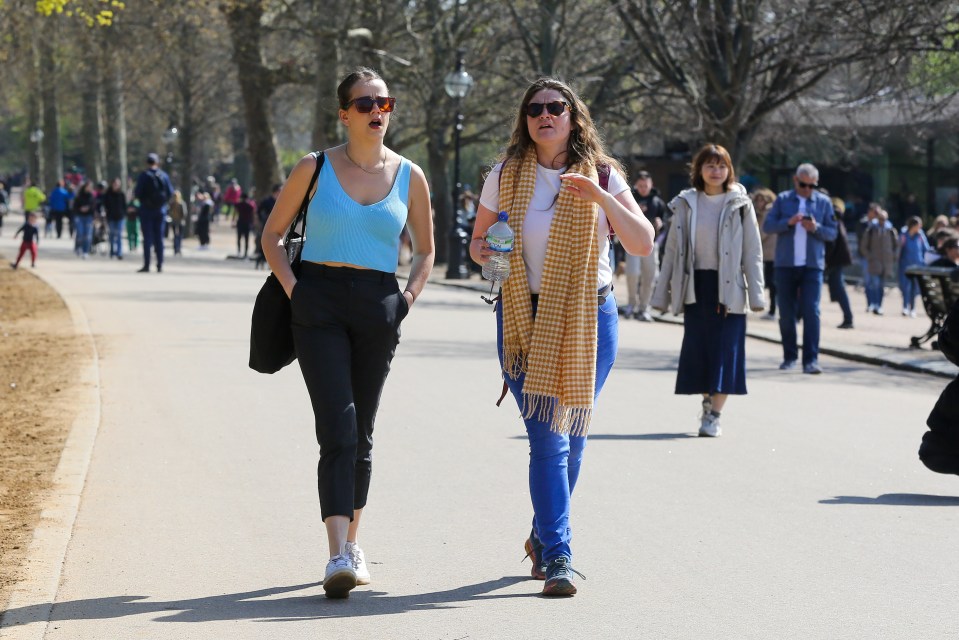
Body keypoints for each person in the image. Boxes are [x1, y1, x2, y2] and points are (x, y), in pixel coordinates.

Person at [469, 77, 655, 597]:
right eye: (535, 109)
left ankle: (541, 533)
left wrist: (601, 197)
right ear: (525, 120)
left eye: (556, 107)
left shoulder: (602, 175)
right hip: (523, 319)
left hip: (591, 319)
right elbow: (478, 244)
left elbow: (641, 242)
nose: (544, 115)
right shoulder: (504, 177)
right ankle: (559, 555)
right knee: (548, 440)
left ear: (574, 118)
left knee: (571, 438)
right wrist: (487, 253)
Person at [261, 67, 434, 599]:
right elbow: (272, 235)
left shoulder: (411, 175)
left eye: (385, 103)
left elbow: (425, 250)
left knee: (362, 430)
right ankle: (337, 550)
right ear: (344, 113)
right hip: (318, 302)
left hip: (379, 304)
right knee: (336, 426)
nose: (377, 112)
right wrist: (297, 292)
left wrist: (403, 302)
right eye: (365, 104)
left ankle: (354, 542)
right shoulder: (313, 168)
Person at [651, 144, 764, 438]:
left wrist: (757, 294)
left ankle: (715, 414)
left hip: (730, 290)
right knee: (700, 352)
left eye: (721, 166)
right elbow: (672, 252)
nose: (716, 171)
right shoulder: (687, 203)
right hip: (696, 287)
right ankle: (706, 400)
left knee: (726, 352)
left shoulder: (741, 204)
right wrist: (661, 294)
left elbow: (753, 251)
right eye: (710, 166)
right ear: (698, 169)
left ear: (729, 170)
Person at [762, 163, 838, 374]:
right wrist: (789, 222)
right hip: (785, 264)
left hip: (812, 265)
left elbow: (832, 233)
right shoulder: (783, 200)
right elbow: (767, 226)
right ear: (796, 180)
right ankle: (789, 357)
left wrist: (816, 228)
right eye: (803, 184)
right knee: (786, 313)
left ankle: (811, 360)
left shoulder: (823, 202)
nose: (807, 189)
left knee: (812, 311)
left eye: (811, 186)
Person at [624, 170, 666, 321]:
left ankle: (644, 308)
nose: (643, 188)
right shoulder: (630, 199)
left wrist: (661, 225)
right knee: (632, 274)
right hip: (632, 243)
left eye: (645, 185)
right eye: (640, 185)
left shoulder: (657, 202)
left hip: (652, 244)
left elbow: (664, 224)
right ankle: (631, 304)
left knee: (650, 276)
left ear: (651, 185)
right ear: (636, 185)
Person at [133, 153, 174, 273]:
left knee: (147, 238)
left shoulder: (144, 176)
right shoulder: (164, 176)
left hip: (146, 210)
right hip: (160, 210)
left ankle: (146, 264)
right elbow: (170, 192)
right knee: (159, 238)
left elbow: (138, 193)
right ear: (157, 162)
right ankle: (160, 264)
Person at [860, 208, 899, 315]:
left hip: (886, 263)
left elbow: (897, 246)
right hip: (874, 262)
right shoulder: (871, 229)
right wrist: (869, 257)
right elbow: (864, 246)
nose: (882, 221)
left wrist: (893, 257)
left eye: (884, 219)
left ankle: (879, 305)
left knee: (881, 285)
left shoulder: (891, 230)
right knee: (874, 284)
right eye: (880, 219)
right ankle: (873, 304)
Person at [824, 197, 855, 329]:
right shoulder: (837, 216)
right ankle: (848, 318)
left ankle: (848, 318)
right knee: (839, 288)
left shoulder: (831, 216)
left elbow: (831, 241)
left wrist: (826, 259)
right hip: (837, 258)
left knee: (838, 288)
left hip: (834, 259)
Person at [753, 188, 778, 320]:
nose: (759, 203)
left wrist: (752, 240)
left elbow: (762, 232)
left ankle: (773, 310)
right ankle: (772, 308)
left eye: (761, 200)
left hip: (771, 252)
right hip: (768, 252)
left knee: (771, 282)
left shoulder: (768, 213)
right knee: (770, 282)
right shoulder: (764, 213)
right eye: (757, 200)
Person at [899, 216, 930, 317]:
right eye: (918, 225)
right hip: (905, 265)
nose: (920, 227)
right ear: (913, 225)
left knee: (915, 288)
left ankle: (912, 308)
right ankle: (905, 307)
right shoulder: (904, 234)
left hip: (918, 265)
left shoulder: (920, 235)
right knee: (905, 287)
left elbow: (926, 249)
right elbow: (899, 248)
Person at [102, 178, 127, 260]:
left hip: (120, 217)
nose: (116, 185)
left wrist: (124, 214)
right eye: (115, 183)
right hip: (111, 217)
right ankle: (112, 251)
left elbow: (124, 205)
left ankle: (119, 252)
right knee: (112, 235)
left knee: (119, 235)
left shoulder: (121, 194)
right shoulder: (108, 194)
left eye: (118, 183)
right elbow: (104, 205)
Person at [72, 180, 96, 258]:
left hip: (89, 217)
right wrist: (80, 209)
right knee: (80, 233)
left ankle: (86, 251)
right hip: (79, 216)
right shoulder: (79, 196)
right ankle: (78, 247)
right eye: (88, 187)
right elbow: (75, 207)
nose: (89, 189)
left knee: (88, 235)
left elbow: (93, 207)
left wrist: (88, 209)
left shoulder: (92, 197)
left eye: (90, 187)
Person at [234, 191, 255, 258]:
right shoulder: (250, 206)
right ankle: (245, 253)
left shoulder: (238, 205)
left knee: (239, 238)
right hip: (247, 223)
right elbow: (252, 215)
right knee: (246, 239)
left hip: (240, 222)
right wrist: (253, 223)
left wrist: (233, 220)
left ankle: (239, 252)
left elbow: (235, 213)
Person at [168, 190, 186, 256]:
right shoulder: (181, 203)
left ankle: (175, 249)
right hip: (180, 222)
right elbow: (184, 213)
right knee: (179, 236)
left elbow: (169, 212)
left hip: (174, 222)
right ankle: (178, 249)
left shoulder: (171, 203)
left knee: (175, 236)